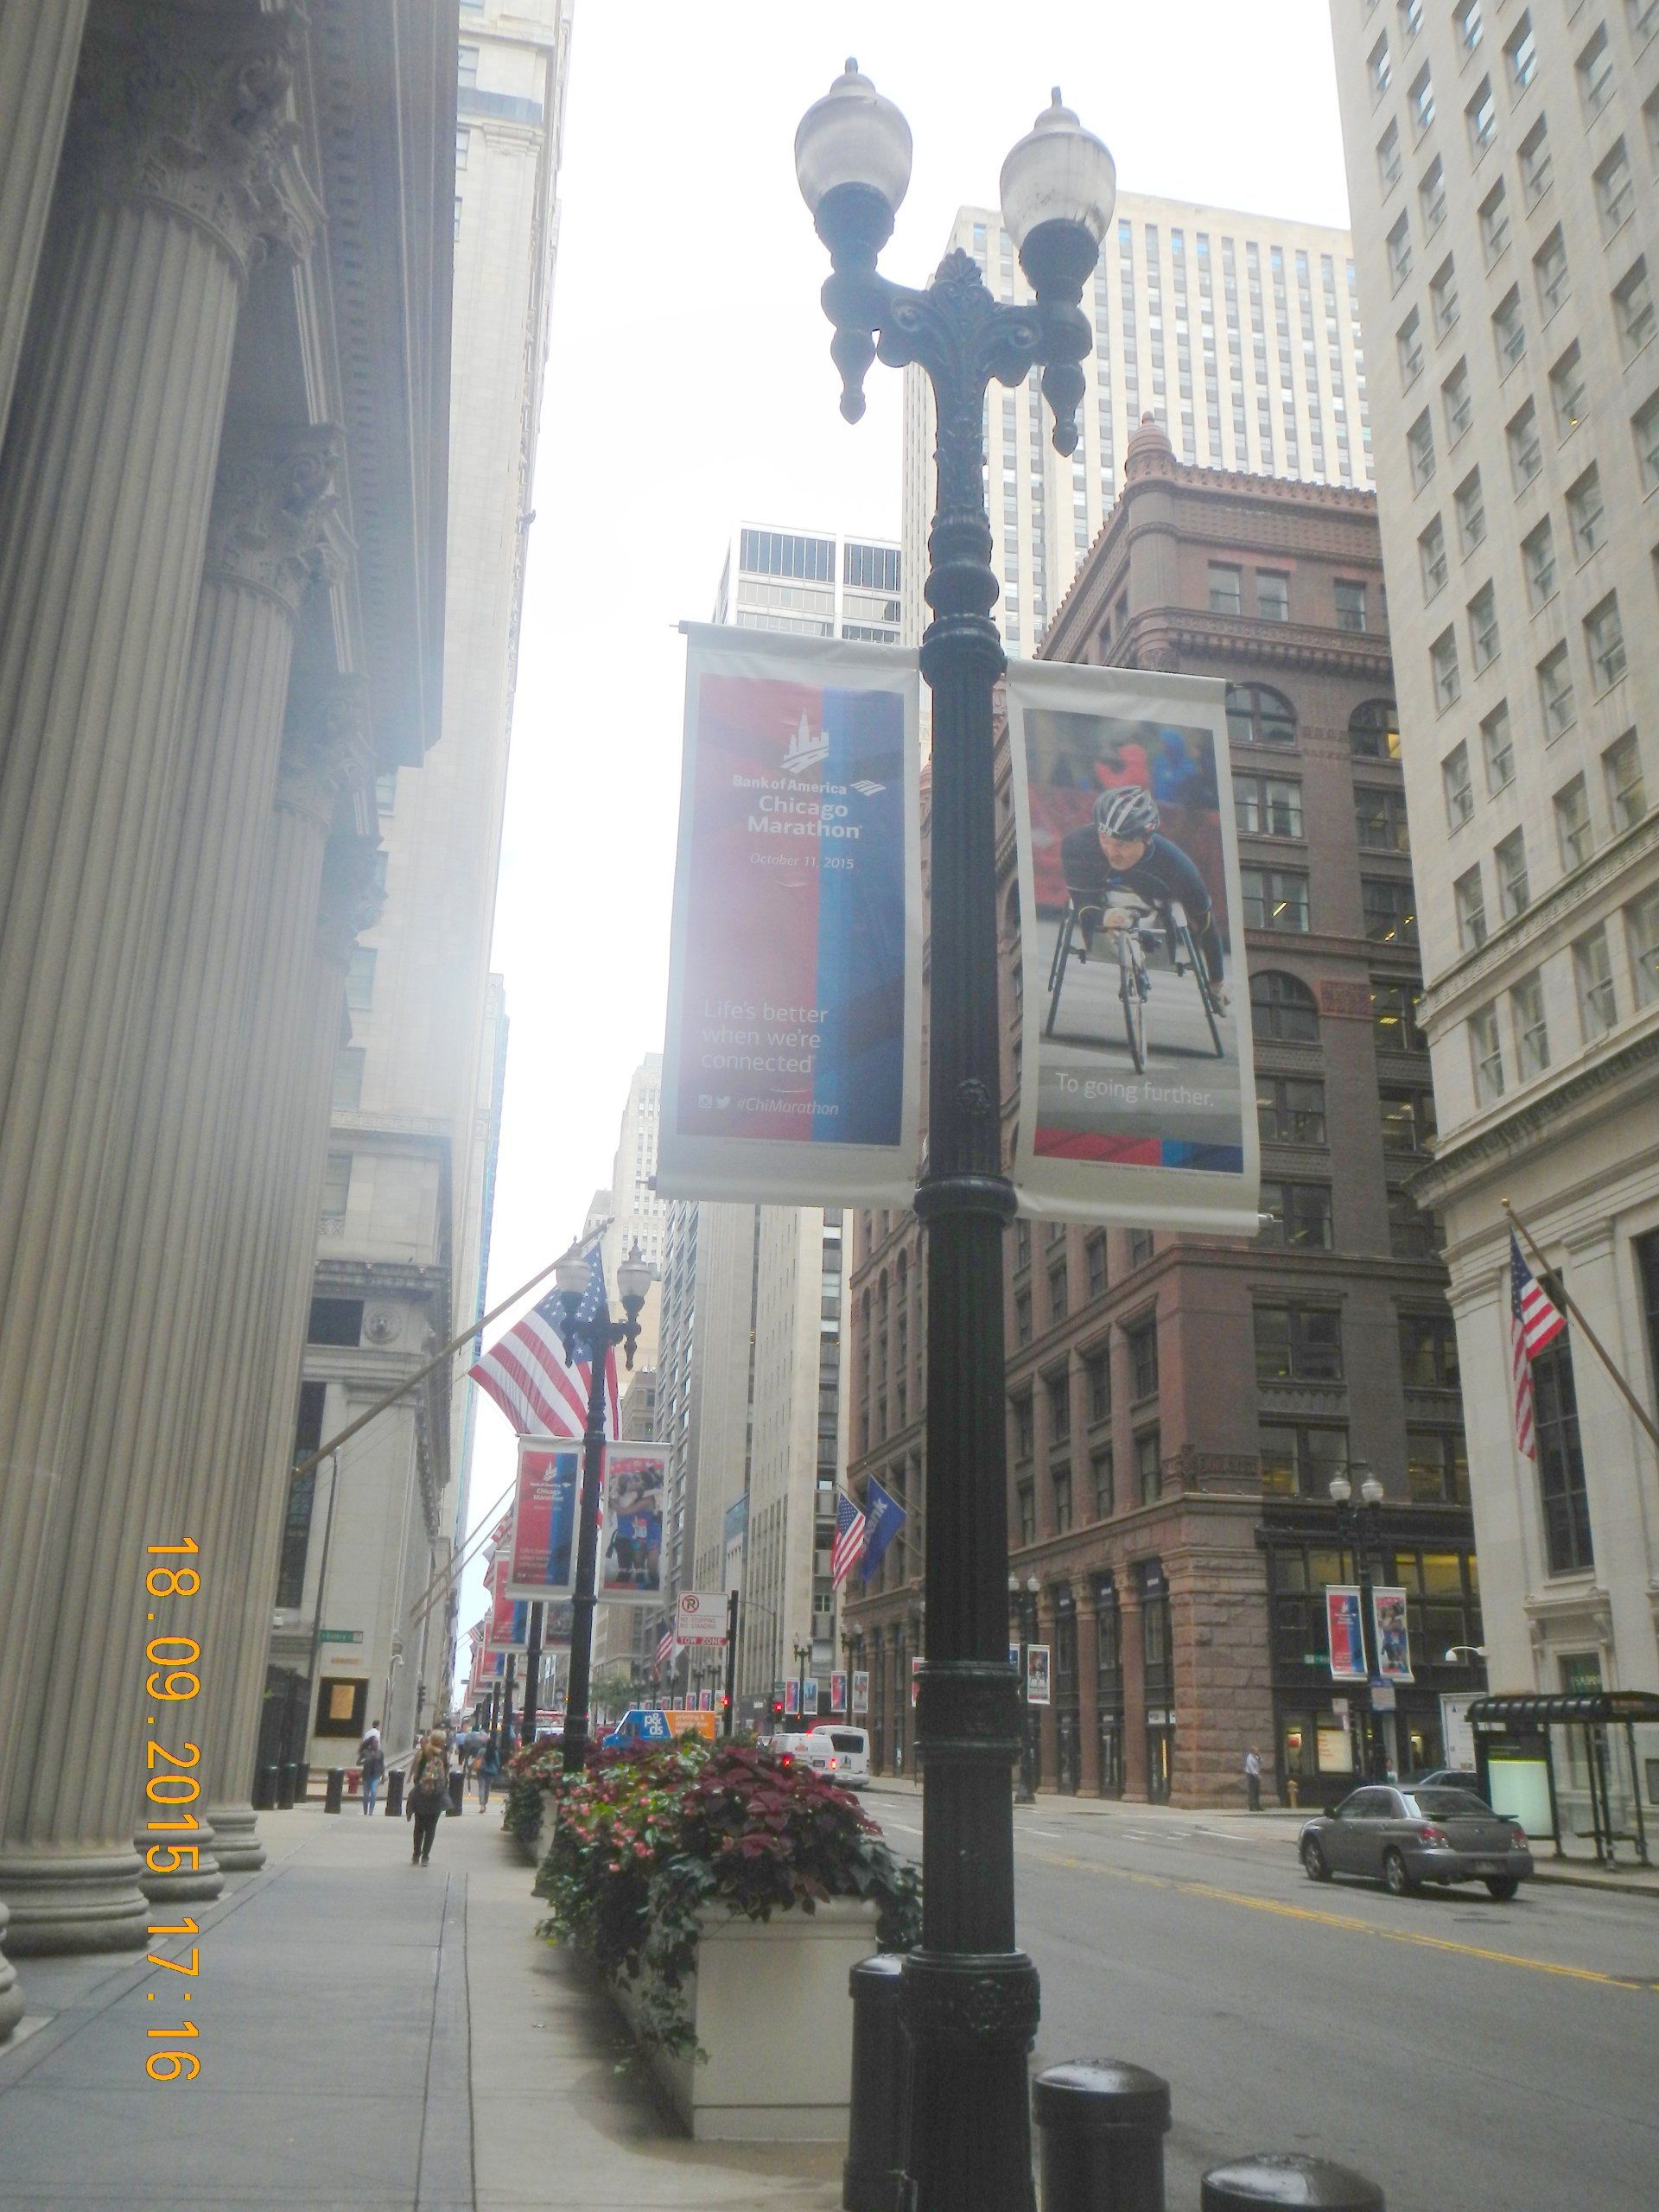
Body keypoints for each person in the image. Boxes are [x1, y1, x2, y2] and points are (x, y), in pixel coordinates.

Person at [1059, 785, 1230, 1012]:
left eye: (1121, 844)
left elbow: (1206, 923)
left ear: (1146, 838)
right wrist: (1104, 917)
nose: (1111, 851)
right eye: (1104, 839)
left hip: (1156, 926)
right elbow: (1082, 901)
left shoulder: (1176, 864)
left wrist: (1216, 982)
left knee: (1175, 910)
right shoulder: (1078, 844)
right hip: (1101, 916)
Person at [405, 1729, 448, 1866]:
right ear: (442, 1742)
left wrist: (418, 1783)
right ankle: (425, 1857)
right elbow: (445, 1775)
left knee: (419, 1826)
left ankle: (416, 1855)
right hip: (436, 1796)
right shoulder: (443, 1755)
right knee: (431, 1827)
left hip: (421, 1794)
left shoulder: (422, 1752)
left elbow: (417, 1773)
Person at [358, 1721, 385, 1816]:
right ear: (371, 1744)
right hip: (366, 1775)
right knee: (366, 1795)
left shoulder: (380, 1753)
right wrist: (364, 1761)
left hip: (376, 1775)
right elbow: (358, 1762)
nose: (376, 1744)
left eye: (377, 1743)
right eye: (375, 1743)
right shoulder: (365, 1752)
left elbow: (382, 1764)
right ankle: (365, 1810)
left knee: (373, 1791)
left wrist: (383, 1775)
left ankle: (371, 1811)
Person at [474, 1735, 500, 1812]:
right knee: (487, 1789)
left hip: (481, 1772)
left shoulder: (481, 1751)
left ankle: (482, 1805)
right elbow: (497, 1763)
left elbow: (477, 1760)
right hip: (491, 1773)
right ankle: (485, 1804)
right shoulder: (494, 1753)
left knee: (481, 1788)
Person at [1244, 1745, 1262, 1813]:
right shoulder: (1249, 1758)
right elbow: (1251, 1768)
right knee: (1252, 1790)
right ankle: (1251, 1806)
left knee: (1257, 1790)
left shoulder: (1256, 1756)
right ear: (1253, 1751)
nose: (1258, 1751)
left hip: (1256, 1774)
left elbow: (1261, 1761)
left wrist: (1259, 1755)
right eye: (1256, 1751)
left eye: (1258, 1751)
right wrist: (1257, 1775)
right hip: (1251, 1775)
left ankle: (1257, 1805)